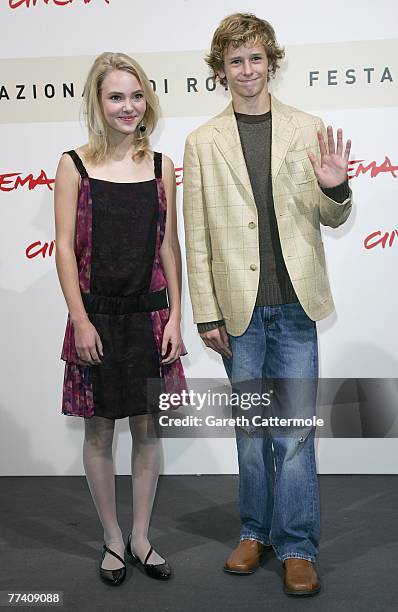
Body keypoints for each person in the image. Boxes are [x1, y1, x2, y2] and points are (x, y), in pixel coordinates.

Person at [183, 13, 352, 596]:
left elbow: (332, 216)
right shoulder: (202, 142)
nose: (247, 70)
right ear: (220, 68)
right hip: (239, 312)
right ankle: (255, 533)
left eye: (255, 58)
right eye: (235, 60)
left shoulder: (308, 128)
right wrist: (205, 312)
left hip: (295, 308)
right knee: (251, 432)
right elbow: (196, 233)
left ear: (270, 62)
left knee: (295, 432)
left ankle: (298, 546)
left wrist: (335, 186)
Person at [54, 51, 187, 586]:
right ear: (97, 101)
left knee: (149, 431)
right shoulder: (73, 164)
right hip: (98, 320)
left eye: (136, 96)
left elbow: (169, 247)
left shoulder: (161, 166)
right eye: (116, 96)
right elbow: (64, 249)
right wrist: (80, 320)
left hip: (151, 318)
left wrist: (177, 315)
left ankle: (140, 537)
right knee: (100, 433)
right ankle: (111, 537)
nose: (127, 106)